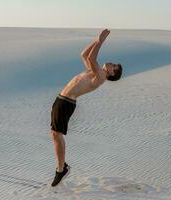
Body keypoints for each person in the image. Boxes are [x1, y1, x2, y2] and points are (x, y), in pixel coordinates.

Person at [50, 29, 123, 187]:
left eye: (114, 65)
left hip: (66, 103)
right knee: (54, 134)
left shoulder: (100, 76)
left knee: (57, 135)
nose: (112, 62)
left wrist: (100, 41)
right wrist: (96, 41)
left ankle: (61, 169)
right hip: (61, 100)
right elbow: (84, 55)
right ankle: (61, 168)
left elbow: (91, 57)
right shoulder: (93, 71)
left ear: (111, 73)